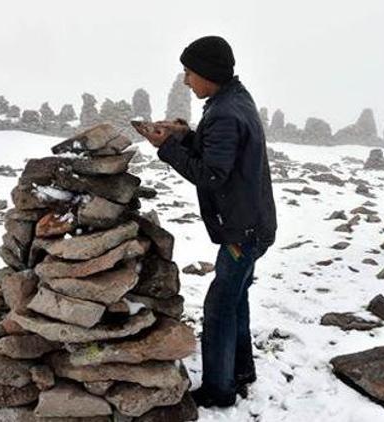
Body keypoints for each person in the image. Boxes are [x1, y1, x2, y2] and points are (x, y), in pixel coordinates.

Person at [137, 35, 277, 408]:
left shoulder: (225, 112)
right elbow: (220, 148)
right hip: (253, 223)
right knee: (235, 299)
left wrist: (166, 148)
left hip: (241, 231)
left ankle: (219, 389)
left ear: (208, 74)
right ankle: (240, 370)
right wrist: (185, 135)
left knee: (219, 306)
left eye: (189, 72)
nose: (186, 80)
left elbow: (213, 174)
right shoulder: (232, 100)